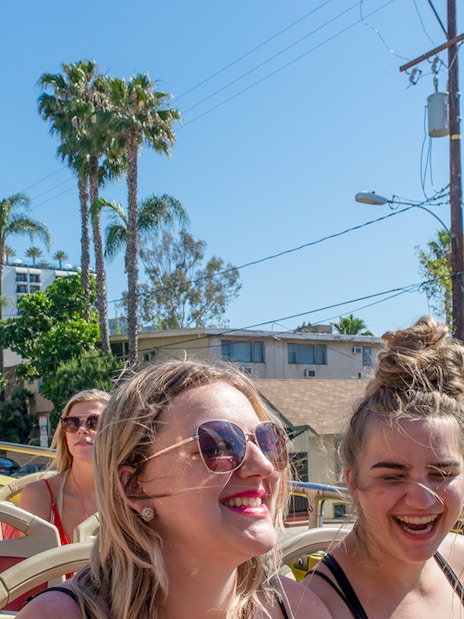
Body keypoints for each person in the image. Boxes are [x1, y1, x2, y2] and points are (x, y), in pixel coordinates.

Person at [18, 359, 331, 619]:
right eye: (217, 445)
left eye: (268, 442)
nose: (263, 466)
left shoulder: (302, 611)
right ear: (134, 485)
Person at [303, 316, 464, 618]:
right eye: (392, 476)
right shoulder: (317, 607)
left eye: (442, 474)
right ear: (352, 483)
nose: (422, 500)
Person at [19, 389, 110, 545]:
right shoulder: (39, 495)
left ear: (114, 432)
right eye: (72, 423)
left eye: (94, 422)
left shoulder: (130, 496)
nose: (82, 429)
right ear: (65, 437)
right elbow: (32, 566)